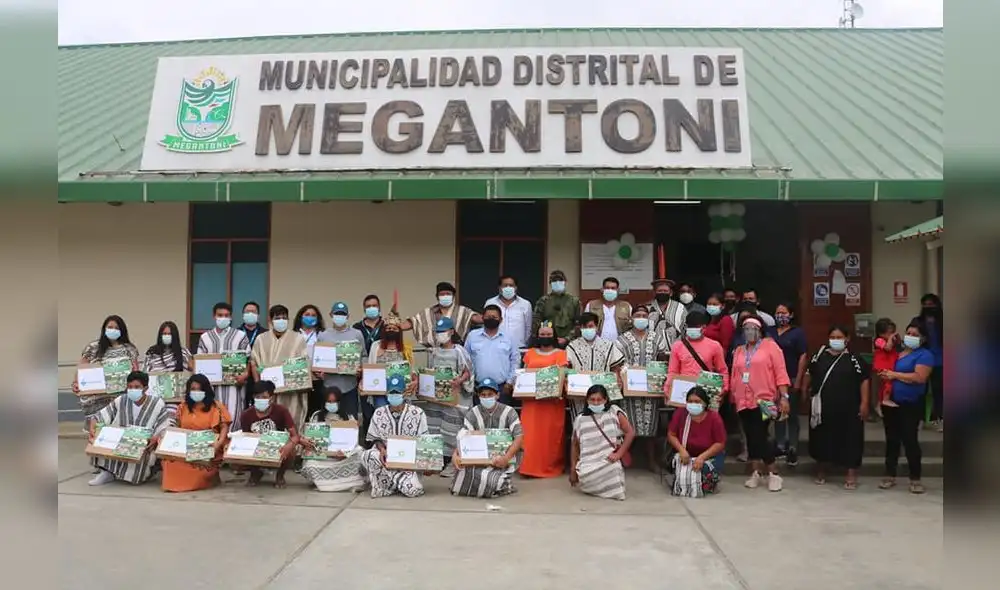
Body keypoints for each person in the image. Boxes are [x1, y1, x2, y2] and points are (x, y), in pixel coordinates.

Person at [805, 325, 871, 489]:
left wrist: (864, 403)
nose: (836, 340)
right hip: (823, 407)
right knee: (821, 437)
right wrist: (805, 392)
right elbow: (809, 372)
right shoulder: (819, 355)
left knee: (851, 439)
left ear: (847, 339)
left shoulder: (854, 358)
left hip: (849, 407)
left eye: (839, 337)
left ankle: (851, 473)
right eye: (833, 337)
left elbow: (864, 379)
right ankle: (821, 469)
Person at [730, 317, 790, 491]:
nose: (750, 332)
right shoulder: (739, 350)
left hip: (765, 399)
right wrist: (733, 394)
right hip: (743, 400)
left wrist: (784, 396)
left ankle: (773, 473)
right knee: (750, 437)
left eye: (753, 328)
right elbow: (735, 374)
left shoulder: (771, 347)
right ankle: (756, 472)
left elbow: (780, 373)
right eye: (746, 328)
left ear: (761, 330)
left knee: (761, 435)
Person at [87, 371, 170, 486]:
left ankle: (149, 472)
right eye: (130, 387)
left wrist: (156, 437)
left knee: (138, 475)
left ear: (145, 388)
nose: (132, 390)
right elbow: (99, 417)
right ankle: (107, 472)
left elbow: (164, 426)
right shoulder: (121, 400)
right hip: (119, 441)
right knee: (100, 435)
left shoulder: (157, 403)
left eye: (137, 387)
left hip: (144, 445)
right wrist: (92, 428)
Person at [878, 320, 933, 494]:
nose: (910, 337)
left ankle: (915, 478)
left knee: (910, 439)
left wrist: (894, 375)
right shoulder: (898, 352)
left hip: (911, 404)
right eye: (909, 333)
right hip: (892, 402)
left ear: (923, 339)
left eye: (915, 335)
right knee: (892, 439)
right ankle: (889, 474)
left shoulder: (925, 355)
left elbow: (919, 377)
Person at [451, 378, 524, 498]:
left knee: (490, 481)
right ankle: (499, 484)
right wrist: (456, 455)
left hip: (502, 458)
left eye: (490, 394)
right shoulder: (472, 413)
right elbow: (463, 437)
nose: (486, 397)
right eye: (483, 395)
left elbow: (519, 437)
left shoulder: (509, 412)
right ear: (479, 397)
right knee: (458, 484)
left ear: (497, 395)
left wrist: (506, 458)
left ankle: (499, 482)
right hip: (478, 459)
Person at [361, 375, 430, 498]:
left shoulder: (417, 413)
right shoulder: (379, 412)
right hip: (386, 459)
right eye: (391, 392)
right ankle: (397, 483)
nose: (394, 395)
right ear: (387, 394)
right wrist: (382, 449)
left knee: (413, 490)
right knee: (368, 455)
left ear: (404, 392)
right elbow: (375, 438)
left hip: (409, 463)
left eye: (397, 392)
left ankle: (393, 484)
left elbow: (424, 441)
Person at [617, 304, 668, 470]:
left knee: (651, 426)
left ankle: (651, 461)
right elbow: (616, 363)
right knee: (627, 426)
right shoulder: (622, 339)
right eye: (637, 315)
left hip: (650, 390)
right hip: (629, 390)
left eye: (644, 316)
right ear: (632, 318)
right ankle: (623, 459)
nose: (641, 318)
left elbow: (664, 359)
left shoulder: (657, 338)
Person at [161, 374, 232, 493]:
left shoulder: (217, 407)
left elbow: (224, 428)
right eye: (193, 389)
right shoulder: (183, 406)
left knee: (197, 469)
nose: (196, 392)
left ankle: (209, 478)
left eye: (199, 389)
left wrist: (218, 444)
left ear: (206, 390)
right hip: (185, 447)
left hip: (207, 447)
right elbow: (177, 428)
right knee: (169, 462)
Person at [422, 316, 473, 478]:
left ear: (451, 332)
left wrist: (460, 380)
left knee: (452, 431)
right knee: (436, 429)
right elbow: (429, 371)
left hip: (455, 397)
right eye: (438, 332)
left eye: (443, 331)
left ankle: (453, 463)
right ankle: (436, 463)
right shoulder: (434, 351)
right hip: (436, 398)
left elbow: (468, 371)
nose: (440, 334)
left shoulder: (459, 351)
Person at [519, 322, 569, 478]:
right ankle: (527, 468)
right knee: (529, 434)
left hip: (551, 402)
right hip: (531, 402)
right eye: (542, 334)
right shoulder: (530, 353)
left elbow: (562, 374)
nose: (545, 337)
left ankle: (548, 467)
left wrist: (556, 391)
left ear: (554, 336)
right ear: (537, 336)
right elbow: (524, 372)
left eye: (548, 334)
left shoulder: (561, 354)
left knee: (550, 435)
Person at [73, 315, 140, 427]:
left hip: (120, 400)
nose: (113, 330)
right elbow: (82, 368)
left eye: (116, 328)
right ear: (104, 329)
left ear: (122, 330)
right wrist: (76, 382)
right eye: (110, 327)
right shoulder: (93, 347)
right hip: (96, 400)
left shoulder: (129, 349)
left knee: (118, 433)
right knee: (97, 433)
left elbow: (136, 372)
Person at [569, 384, 634, 500]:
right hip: (588, 464)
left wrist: (619, 454)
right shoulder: (580, 419)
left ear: (606, 400)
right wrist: (573, 469)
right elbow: (575, 445)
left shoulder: (614, 412)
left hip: (608, 460)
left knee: (613, 468)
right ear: (587, 400)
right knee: (585, 474)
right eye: (592, 400)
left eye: (599, 400)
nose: (596, 403)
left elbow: (630, 433)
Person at [250, 304, 308, 430]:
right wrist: (258, 384)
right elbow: (253, 361)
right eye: (277, 318)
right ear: (270, 321)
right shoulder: (261, 339)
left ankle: (292, 446)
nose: (281, 320)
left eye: (284, 318)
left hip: (290, 393)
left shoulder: (298, 339)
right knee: (268, 423)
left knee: (291, 422)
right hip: (267, 393)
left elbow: (304, 363)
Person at [197, 302, 251, 430]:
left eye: (226, 315)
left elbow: (248, 359)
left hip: (234, 388)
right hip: (211, 388)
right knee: (213, 418)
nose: (223, 318)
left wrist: (245, 374)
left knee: (234, 418)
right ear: (214, 316)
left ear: (231, 317)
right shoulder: (205, 338)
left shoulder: (240, 336)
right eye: (220, 315)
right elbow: (200, 361)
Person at [300, 386, 364, 493]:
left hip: (342, 457)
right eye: (329, 401)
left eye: (334, 401)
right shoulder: (316, 416)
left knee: (360, 452)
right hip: (324, 457)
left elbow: (353, 442)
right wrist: (326, 452)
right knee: (310, 463)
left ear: (339, 402)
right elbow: (312, 440)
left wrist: (345, 453)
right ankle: (334, 482)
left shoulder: (348, 417)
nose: (331, 404)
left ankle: (328, 482)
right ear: (324, 402)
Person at [666, 386, 726, 496]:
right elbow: (671, 434)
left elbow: (720, 442)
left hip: (709, 455)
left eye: (697, 401)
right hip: (686, 453)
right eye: (690, 401)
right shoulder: (681, 414)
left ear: (705, 403)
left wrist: (702, 457)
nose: (693, 404)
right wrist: (681, 450)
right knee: (681, 470)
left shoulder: (714, 418)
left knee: (703, 472)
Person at [239, 380, 300, 488]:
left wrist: (289, 446)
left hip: (276, 446)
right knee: (235, 460)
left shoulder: (282, 411)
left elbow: (295, 436)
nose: (260, 400)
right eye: (257, 397)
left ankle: (280, 476)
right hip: (255, 446)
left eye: (264, 397)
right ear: (253, 397)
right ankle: (255, 473)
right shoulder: (246, 415)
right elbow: (246, 438)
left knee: (291, 450)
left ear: (272, 398)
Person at [365, 309, 418, 433]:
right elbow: (370, 368)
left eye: (394, 328)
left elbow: (412, 372)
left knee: (402, 424)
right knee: (383, 423)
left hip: (402, 394)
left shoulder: (406, 348)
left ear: (399, 331)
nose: (391, 330)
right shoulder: (376, 346)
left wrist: (415, 381)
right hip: (380, 394)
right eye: (388, 327)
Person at [566, 312, 626, 419]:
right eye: (584, 327)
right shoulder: (572, 346)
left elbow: (616, 366)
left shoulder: (608, 345)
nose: (587, 329)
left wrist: (617, 379)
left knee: (603, 421)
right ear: (580, 328)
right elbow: (567, 367)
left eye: (590, 326)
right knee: (581, 421)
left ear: (597, 327)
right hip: (579, 393)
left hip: (602, 392)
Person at [666, 311, 730, 409]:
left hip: (706, 391)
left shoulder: (715, 346)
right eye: (690, 326)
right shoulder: (677, 346)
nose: (692, 329)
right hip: (683, 393)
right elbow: (672, 371)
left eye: (696, 326)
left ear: (704, 328)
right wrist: (667, 388)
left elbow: (722, 370)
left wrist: (724, 388)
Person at [317, 302, 366, 422]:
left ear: (348, 316)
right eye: (337, 313)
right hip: (329, 387)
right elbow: (317, 359)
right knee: (329, 421)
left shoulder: (357, 334)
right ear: (331, 314)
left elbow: (364, 355)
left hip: (349, 387)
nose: (339, 316)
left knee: (351, 421)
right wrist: (318, 371)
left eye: (342, 314)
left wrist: (362, 369)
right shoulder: (323, 336)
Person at [773, 302, 808, 466]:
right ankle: (780, 445)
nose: (780, 315)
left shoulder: (797, 333)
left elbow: (803, 356)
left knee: (791, 414)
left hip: (791, 377)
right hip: (772, 379)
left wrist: (799, 379)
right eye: (778, 312)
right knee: (777, 413)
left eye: (784, 312)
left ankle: (793, 447)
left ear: (791, 315)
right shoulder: (770, 331)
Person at [466, 304, 520, 405]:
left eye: (494, 317)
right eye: (488, 317)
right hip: (478, 387)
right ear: (482, 318)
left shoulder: (509, 337)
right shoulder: (472, 336)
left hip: (502, 388)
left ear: (501, 319)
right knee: (479, 419)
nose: (491, 319)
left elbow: (515, 360)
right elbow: (465, 360)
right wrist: (470, 383)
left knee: (502, 418)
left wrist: (509, 382)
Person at [403, 281, 480, 347]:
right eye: (442, 294)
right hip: (435, 352)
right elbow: (413, 322)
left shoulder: (463, 311)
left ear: (453, 296)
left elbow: (476, 318)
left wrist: (489, 315)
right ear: (437, 297)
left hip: (456, 350)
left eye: (448, 294)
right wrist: (396, 325)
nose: (445, 296)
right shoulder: (428, 312)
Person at [913, 294, 943, 430]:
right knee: (921, 391)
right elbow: (910, 336)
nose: (929, 307)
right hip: (922, 360)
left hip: (941, 361)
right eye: (926, 304)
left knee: (939, 391)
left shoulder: (944, 320)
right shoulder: (917, 321)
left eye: (931, 304)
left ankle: (938, 418)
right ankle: (919, 419)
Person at [532, 269, 581, 347]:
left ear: (565, 282)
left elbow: (579, 324)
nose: (557, 283)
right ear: (550, 283)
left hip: (570, 343)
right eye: (554, 280)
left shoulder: (574, 301)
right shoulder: (543, 301)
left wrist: (567, 338)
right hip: (548, 342)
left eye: (560, 280)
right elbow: (536, 322)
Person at [294, 304, 326, 418]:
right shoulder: (293, 335)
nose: (310, 317)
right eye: (307, 315)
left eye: (313, 315)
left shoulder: (322, 335)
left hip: (317, 380)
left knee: (315, 412)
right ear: (300, 317)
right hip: (298, 380)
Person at [484, 274, 533, 351]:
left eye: (511, 285)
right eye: (505, 285)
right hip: (495, 347)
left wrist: (524, 344)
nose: (508, 288)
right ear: (499, 288)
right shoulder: (490, 302)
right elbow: (486, 324)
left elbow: (528, 328)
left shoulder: (525, 304)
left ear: (516, 288)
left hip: (519, 348)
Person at [584, 276, 632, 342]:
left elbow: (631, 327)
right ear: (602, 289)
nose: (610, 290)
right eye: (607, 288)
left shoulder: (626, 306)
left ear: (618, 290)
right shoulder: (591, 305)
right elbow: (585, 326)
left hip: (620, 345)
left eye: (613, 288)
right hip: (597, 345)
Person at [239, 301, 265, 409]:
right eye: (247, 312)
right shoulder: (236, 333)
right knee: (241, 406)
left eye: (253, 312)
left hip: (259, 376)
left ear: (258, 315)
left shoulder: (265, 334)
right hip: (240, 377)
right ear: (243, 315)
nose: (250, 314)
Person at [871, 318, 900, 417]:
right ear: (880, 333)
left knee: (887, 385)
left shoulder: (891, 341)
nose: (890, 335)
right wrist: (891, 338)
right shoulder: (879, 341)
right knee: (886, 383)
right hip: (882, 365)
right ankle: (884, 400)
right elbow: (887, 348)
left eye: (892, 332)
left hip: (890, 364)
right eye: (888, 333)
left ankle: (882, 401)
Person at [647, 277, 687, 344]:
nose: (662, 293)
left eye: (665, 291)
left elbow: (686, 328)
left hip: (675, 348)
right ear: (654, 293)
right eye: (659, 291)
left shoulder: (680, 308)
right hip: (652, 350)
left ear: (671, 293)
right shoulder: (647, 308)